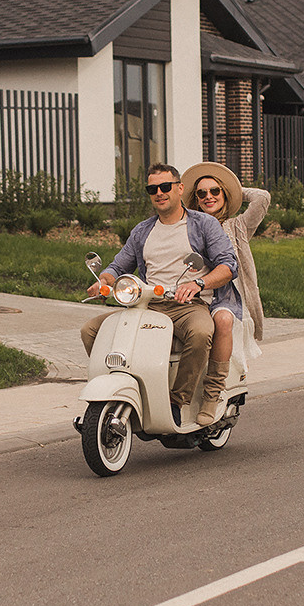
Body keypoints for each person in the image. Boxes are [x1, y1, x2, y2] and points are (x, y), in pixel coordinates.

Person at [83, 164, 237, 427]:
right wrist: (104, 281)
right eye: (152, 189)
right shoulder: (143, 230)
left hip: (186, 304)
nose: (159, 193)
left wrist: (199, 283)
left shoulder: (204, 224)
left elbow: (228, 265)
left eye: (165, 187)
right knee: (91, 330)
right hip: (146, 304)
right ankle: (127, 388)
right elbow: (119, 266)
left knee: (201, 333)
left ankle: (178, 401)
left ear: (179, 189)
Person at [182, 161, 270, 427]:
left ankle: (213, 393)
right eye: (202, 193)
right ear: (195, 200)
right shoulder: (189, 226)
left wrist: (234, 188)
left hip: (227, 295)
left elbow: (262, 198)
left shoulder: (237, 226)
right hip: (195, 294)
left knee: (222, 321)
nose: (208, 197)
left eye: (215, 191)